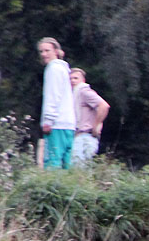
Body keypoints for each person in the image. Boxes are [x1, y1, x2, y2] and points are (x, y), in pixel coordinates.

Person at [37, 37, 76, 169]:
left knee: (52, 163)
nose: (43, 54)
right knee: (67, 165)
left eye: (47, 50)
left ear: (56, 51)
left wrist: (48, 120)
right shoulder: (64, 69)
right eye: (41, 51)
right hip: (69, 125)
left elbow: (53, 95)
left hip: (56, 124)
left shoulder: (53, 69)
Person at [69, 68, 110, 167]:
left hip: (85, 136)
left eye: (76, 78)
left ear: (83, 80)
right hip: (78, 136)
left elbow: (104, 106)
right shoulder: (74, 94)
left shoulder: (84, 91)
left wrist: (96, 125)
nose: (72, 81)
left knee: (79, 168)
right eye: (70, 78)